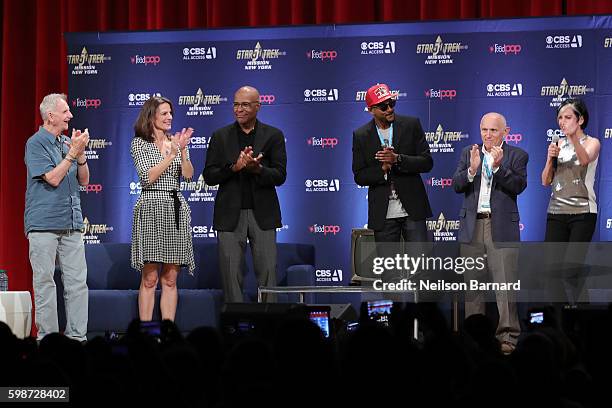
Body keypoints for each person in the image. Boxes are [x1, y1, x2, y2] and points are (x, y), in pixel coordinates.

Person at [452, 112, 528, 354]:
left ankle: (508, 338)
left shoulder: (517, 155)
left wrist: (497, 168)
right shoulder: (468, 153)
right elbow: (456, 185)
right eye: (484, 129)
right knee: (473, 288)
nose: (488, 134)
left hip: (500, 226)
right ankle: (475, 340)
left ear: (505, 132)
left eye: (493, 130)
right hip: (472, 227)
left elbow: (518, 186)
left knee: (504, 287)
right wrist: (472, 171)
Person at [203, 85, 286, 303]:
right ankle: (234, 325)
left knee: (268, 272)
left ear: (258, 106)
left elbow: (280, 175)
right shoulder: (220, 136)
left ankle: (268, 325)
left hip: (264, 214)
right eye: (236, 104)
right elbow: (210, 176)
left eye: (245, 105)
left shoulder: (273, 135)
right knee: (231, 274)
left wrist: (257, 169)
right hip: (229, 215)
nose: (239, 109)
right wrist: (235, 167)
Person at [352, 83, 433, 284]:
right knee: (389, 275)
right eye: (383, 106)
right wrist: (383, 170)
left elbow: (427, 162)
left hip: (412, 209)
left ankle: (421, 316)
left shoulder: (411, 124)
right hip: (383, 213)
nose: (390, 109)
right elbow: (359, 175)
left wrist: (398, 159)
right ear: (371, 110)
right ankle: (396, 316)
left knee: (420, 272)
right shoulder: (361, 135)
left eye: (392, 103)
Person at [25, 93, 90, 342]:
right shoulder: (35, 143)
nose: (70, 116)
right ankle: (48, 341)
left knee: (77, 284)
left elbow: (84, 180)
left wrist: (80, 154)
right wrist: (72, 154)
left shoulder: (67, 143)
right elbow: (51, 178)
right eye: (65, 112)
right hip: (43, 224)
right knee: (45, 283)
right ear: (50, 116)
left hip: (72, 222)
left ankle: (77, 339)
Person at [131, 96, 195, 321]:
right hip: (150, 208)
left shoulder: (175, 142)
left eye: (171, 113)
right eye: (164, 113)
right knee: (150, 279)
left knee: (170, 279)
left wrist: (183, 151)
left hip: (175, 208)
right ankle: (146, 334)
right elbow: (147, 177)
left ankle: (168, 333)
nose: (169, 117)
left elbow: (187, 176)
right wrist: (171, 154)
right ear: (151, 116)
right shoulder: (140, 143)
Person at [541, 98, 599, 304]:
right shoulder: (556, 144)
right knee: (552, 271)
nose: (562, 122)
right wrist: (549, 158)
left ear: (580, 120)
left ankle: (581, 322)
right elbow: (545, 181)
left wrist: (573, 138)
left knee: (572, 270)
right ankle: (559, 323)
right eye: (560, 118)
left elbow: (584, 160)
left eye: (568, 117)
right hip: (556, 213)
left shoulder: (592, 142)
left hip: (583, 212)